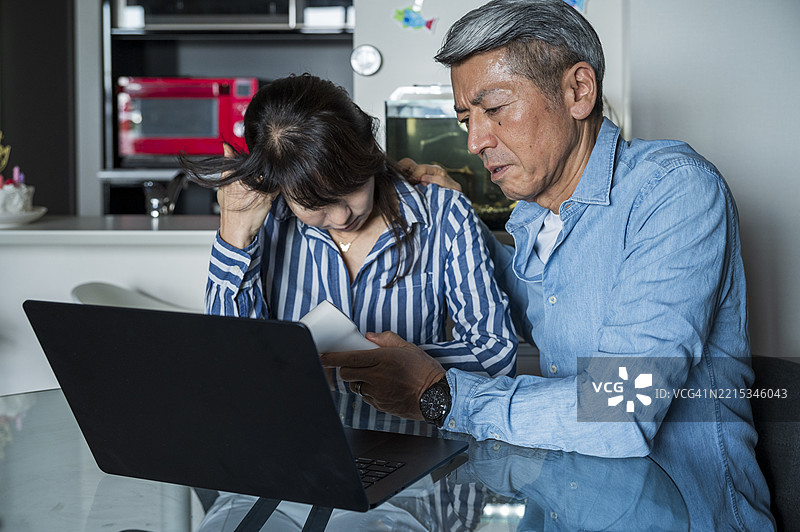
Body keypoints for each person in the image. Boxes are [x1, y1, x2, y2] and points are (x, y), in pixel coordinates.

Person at [320, 0, 775, 529]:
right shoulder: (537, 214)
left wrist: (441, 395)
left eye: (494, 109)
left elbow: (621, 408)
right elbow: (537, 302)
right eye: (466, 119)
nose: (475, 142)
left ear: (578, 90)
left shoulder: (673, 190)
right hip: (572, 507)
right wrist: (459, 226)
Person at [179, 73, 516, 529]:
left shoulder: (442, 214)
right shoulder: (266, 224)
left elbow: (495, 353)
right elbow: (230, 371)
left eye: (351, 187)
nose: (340, 216)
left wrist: (401, 366)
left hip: (410, 472)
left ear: (369, 153)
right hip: (288, 467)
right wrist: (234, 236)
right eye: (312, 203)